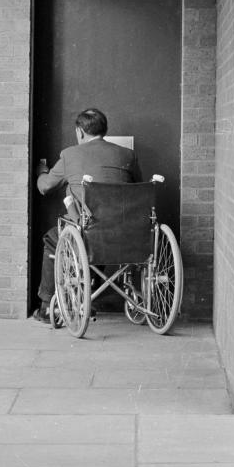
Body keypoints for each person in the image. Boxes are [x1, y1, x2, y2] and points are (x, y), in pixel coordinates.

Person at [32, 107, 140, 321]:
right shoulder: (127, 155)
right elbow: (138, 188)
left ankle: (46, 306)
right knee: (97, 235)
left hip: (86, 233)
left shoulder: (70, 154)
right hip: (124, 235)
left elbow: (44, 187)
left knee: (52, 239)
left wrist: (41, 172)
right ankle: (88, 297)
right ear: (104, 130)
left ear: (80, 132)